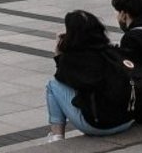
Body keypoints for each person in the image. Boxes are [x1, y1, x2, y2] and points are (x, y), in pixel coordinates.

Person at [43, 10, 136, 142]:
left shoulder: (76, 58)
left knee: (53, 85)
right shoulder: (111, 53)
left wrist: (59, 55)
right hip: (127, 120)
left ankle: (57, 135)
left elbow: (63, 79)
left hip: (99, 125)